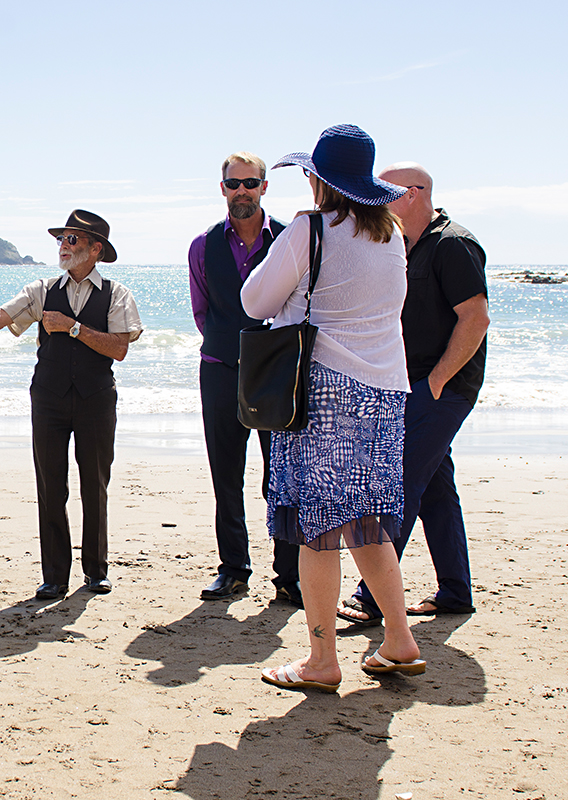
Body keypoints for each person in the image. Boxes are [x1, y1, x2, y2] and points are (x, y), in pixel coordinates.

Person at [242, 125, 426, 693]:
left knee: (316, 529)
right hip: (385, 391)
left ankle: (322, 661)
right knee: (366, 520)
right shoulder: (391, 235)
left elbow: (255, 300)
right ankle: (399, 641)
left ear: (319, 180)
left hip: (322, 388)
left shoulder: (309, 229)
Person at [0, 210, 142, 599]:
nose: (63, 246)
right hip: (49, 400)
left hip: (96, 400)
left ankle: (96, 571)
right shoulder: (41, 289)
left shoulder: (117, 294)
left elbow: (119, 348)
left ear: (95, 249)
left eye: (72, 240)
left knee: (95, 485)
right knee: (50, 486)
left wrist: (73, 327)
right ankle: (54, 576)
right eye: (61, 239)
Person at [338, 163, 489, 625]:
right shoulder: (404, 245)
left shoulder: (453, 244)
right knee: (438, 487)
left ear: (410, 194)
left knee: (400, 484)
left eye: (380, 193)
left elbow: (476, 318)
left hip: (441, 387)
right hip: (411, 386)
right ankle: (455, 592)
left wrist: (439, 381)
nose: (371, 201)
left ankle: (371, 597)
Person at [188, 152, 301, 605]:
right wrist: (228, 347)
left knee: (282, 476)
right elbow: (202, 311)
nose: (242, 191)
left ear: (264, 187)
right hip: (219, 371)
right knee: (226, 476)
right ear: (222, 189)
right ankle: (234, 569)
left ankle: (289, 576)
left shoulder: (289, 239)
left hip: (276, 374)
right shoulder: (202, 245)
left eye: (250, 183)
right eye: (233, 184)